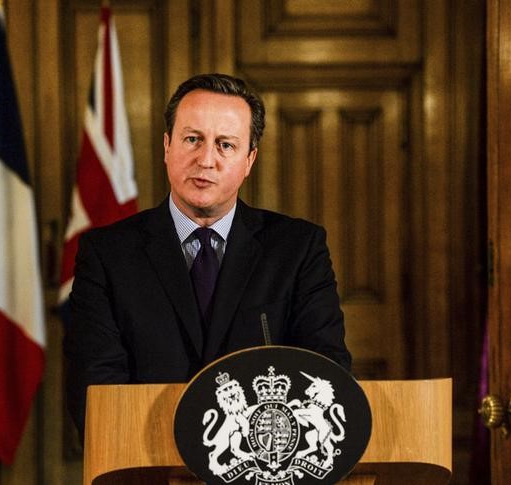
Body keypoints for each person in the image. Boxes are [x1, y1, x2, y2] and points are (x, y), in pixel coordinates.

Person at [64, 73, 351, 435]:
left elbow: (325, 375)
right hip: (146, 466)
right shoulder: (107, 254)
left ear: (249, 160)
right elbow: (95, 389)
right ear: (167, 147)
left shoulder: (298, 249)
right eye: (192, 139)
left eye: (226, 145)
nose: (206, 159)